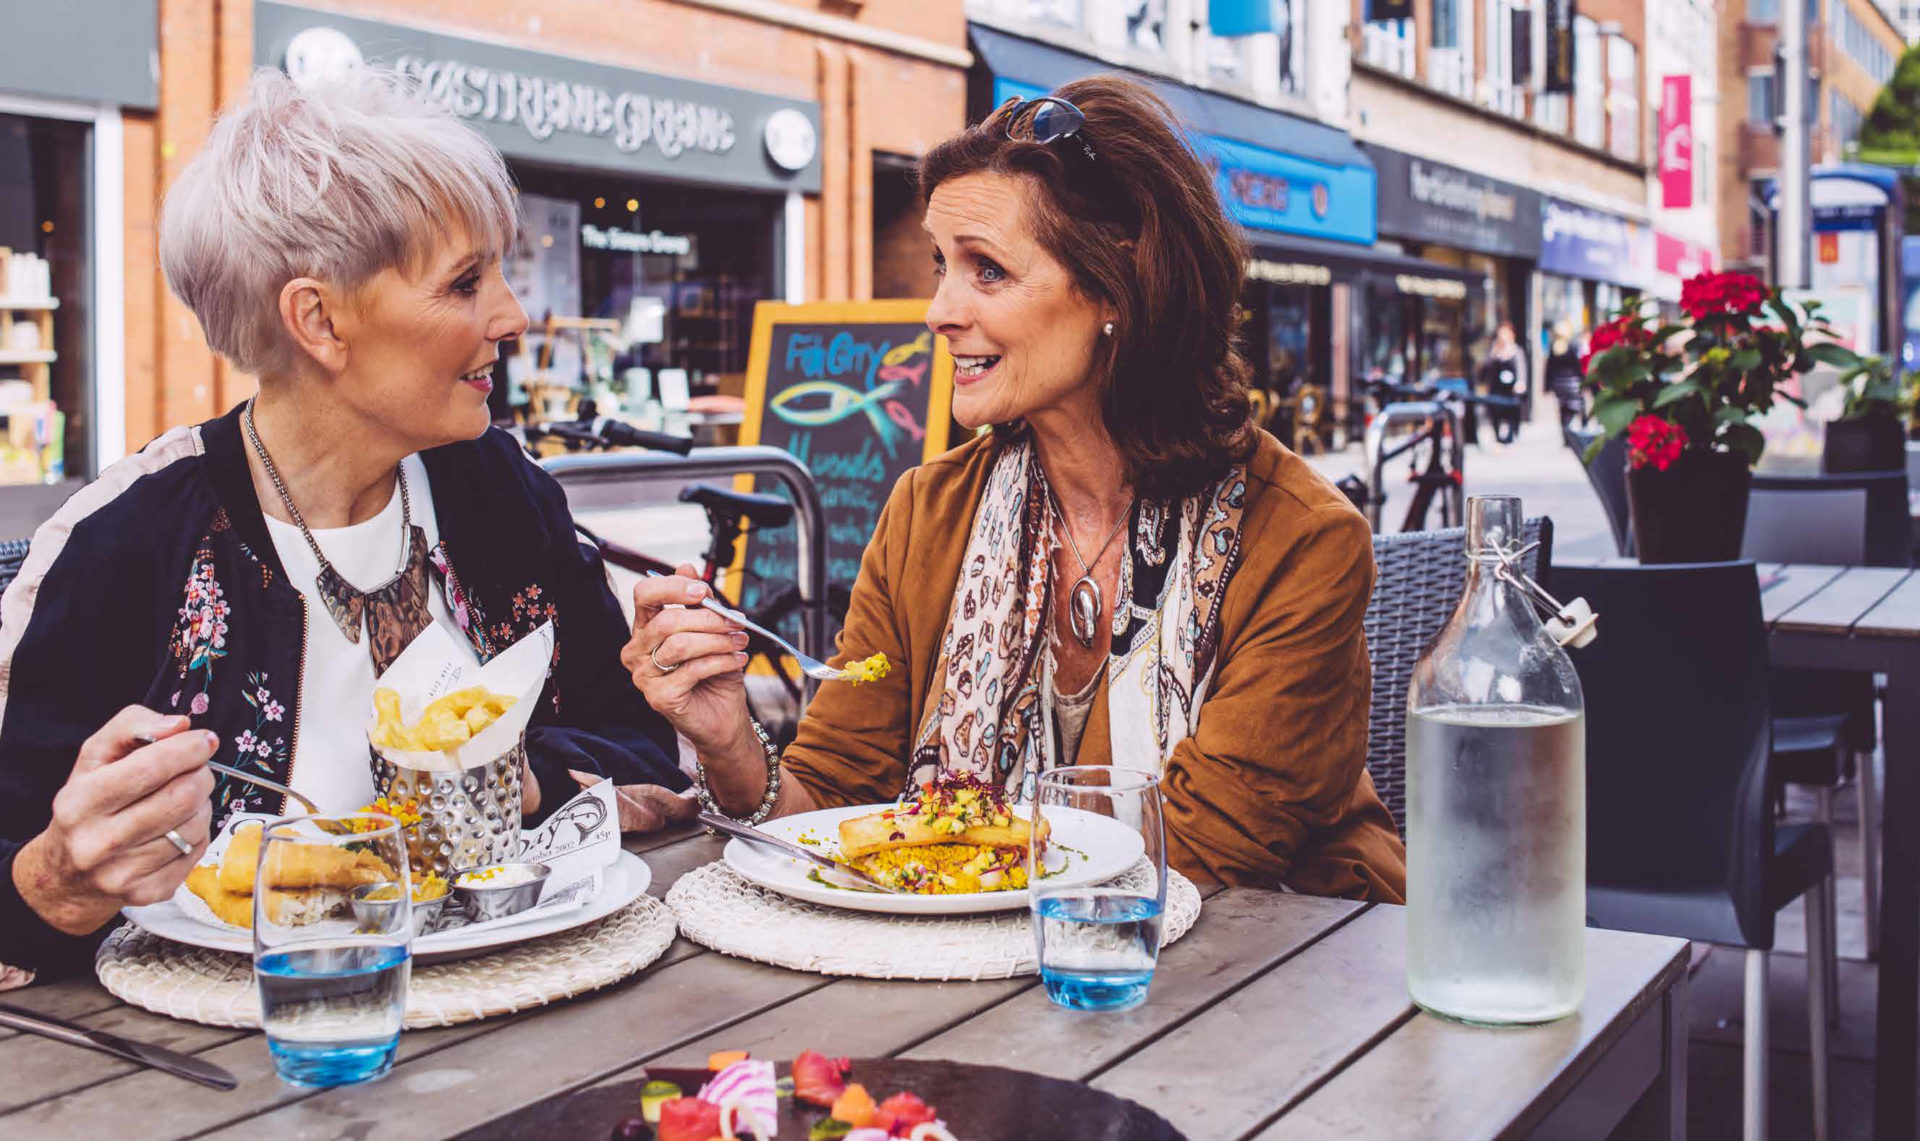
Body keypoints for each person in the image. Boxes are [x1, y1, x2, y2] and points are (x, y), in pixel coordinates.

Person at [627, 77, 1405, 900]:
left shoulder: (1302, 539)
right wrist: (728, 741)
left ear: (1116, 290)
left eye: (987, 270)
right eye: (942, 265)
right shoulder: (926, 514)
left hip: (1267, 983)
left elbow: (1203, 859)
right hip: (993, 990)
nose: (939, 310)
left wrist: (950, 867)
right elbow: (830, 811)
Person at [0, 68, 690, 982]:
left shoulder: (501, 492)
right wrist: (55, 879)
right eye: (465, 282)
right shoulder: (120, 543)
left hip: (526, 1008)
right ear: (318, 319)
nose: (512, 317)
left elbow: (644, 745)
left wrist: (510, 778)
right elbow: (27, 870)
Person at [1476, 320, 1529, 444]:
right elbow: (1485, 367)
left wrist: (1521, 383)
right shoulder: (1494, 350)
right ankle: (1498, 437)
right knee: (1495, 412)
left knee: (1511, 412)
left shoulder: (1516, 350)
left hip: (1510, 389)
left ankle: (1510, 436)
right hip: (1496, 387)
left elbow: (1521, 368)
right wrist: (1494, 353)